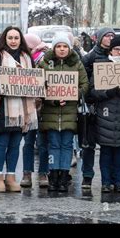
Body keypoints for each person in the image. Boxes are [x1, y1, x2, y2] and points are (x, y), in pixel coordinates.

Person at [0, 26, 38, 193]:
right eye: (10, 38)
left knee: (15, 143)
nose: (13, 41)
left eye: (16, 37)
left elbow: (34, 78)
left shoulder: (27, 58)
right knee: (2, 143)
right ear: (5, 40)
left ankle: (11, 177)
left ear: (20, 39)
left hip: (23, 107)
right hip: (3, 106)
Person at [39, 33, 89, 192]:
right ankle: (53, 175)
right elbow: (38, 85)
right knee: (53, 144)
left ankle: (63, 175)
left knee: (67, 145)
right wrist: (52, 99)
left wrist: (70, 96)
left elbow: (84, 85)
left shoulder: (77, 64)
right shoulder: (45, 63)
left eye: (65, 46)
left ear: (69, 48)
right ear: (54, 48)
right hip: (50, 113)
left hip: (69, 112)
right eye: (59, 46)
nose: (62, 49)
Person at [89, 36, 120, 193]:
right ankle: (105, 182)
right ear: (110, 50)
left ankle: (119, 181)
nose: (119, 52)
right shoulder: (101, 67)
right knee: (105, 152)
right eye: (116, 49)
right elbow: (92, 92)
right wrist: (106, 93)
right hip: (105, 116)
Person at [80, 27, 115, 189]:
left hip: (112, 106)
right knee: (89, 144)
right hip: (93, 106)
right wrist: (90, 95)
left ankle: (109, 179)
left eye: (112, 36)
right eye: (107, 36)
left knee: (110, 144)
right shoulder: (89, 58)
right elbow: (83, 81)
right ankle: (87, 176)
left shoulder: (117, 57)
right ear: (100, 38)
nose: (110, 38)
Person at [20, 33, 51, 188]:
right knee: (28, 142)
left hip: (45, 107)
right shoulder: (23, 60)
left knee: (43, 142)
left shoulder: (46, 59)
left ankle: (43, 173)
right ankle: (27, 173)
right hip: (29, 106)